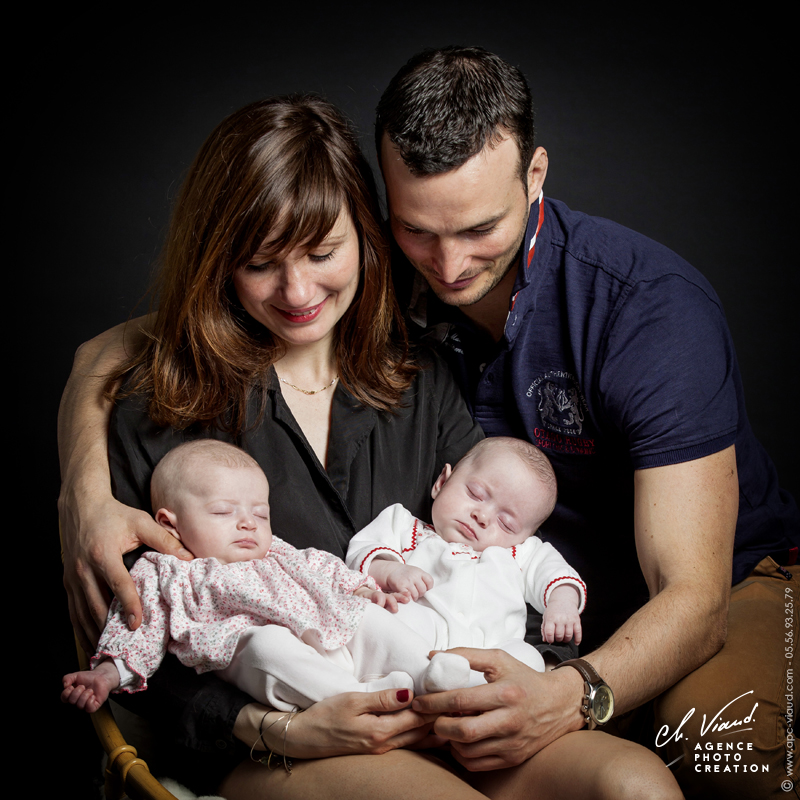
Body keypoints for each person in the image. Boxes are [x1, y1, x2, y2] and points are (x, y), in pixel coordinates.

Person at [59, 94, 681, 799]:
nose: (298, 290)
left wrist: (518, 681)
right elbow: (146, 623)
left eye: (323, 252)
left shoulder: (422, 378)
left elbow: (500, 560)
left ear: (366, 233)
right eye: (261, 263)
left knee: (635, 785)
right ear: (220, 261)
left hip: (438, 700)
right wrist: (276, 728)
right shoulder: (165, 409)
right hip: (284, 737)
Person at [375, 46, 799, 799]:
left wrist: (574, 695)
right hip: (512, 602)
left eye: (479, 229)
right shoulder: (373, 276)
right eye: (417, 230)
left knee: (717, 745)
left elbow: (693, 599)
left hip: (720, 586)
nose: (447, 264)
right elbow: (210, 326)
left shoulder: (650, 308)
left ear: (535, 175)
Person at [62, 440, 484, 715]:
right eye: (224, 512)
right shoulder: (166, 570)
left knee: (369, 618)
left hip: (323, 630)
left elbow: (320, 565)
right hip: (245, 643)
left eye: (260, 514)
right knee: (268, 648)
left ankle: (427, 675)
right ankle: (360, 702)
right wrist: (108, 673)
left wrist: (361, 588)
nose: (248, 523)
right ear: (169, 524)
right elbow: (140, 626)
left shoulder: (274, 550)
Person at [347, 436, 586, 664]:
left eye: (506, 524)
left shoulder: (519, 554)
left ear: (523, 538)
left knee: (529, 658)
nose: (482, 516)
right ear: (442, 483)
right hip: (419, 637)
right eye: (475, 494)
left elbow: (554, 572)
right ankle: (428, 674)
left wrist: (562, 604)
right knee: (378, 615)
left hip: (492, 653)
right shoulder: (404, 526)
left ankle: (458, 679)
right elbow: (361, 552)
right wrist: (391, 570)